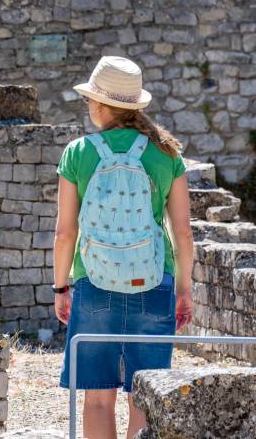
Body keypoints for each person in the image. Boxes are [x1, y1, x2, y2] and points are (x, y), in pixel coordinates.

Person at [53, 56, 194, 439]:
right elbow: (182, 233)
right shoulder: (166, 154)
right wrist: (183, 289)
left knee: (98, 400)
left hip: (94, 282)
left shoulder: (79, 152)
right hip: (153, 281)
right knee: (144, 397)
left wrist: (61, 287)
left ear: (100, 105)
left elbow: (65, 232)